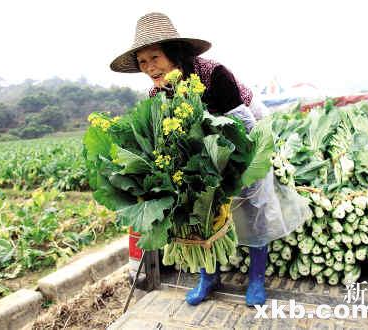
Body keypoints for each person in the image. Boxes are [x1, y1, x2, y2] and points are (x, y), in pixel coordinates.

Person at [109, 12, 305, 307]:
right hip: (206, 155)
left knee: (254, 208)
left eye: (155, 57)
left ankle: (255, 280)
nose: (150, 68)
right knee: (199, 212)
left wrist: (233, 171)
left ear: (173, 53)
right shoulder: (158, 93)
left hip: (249, 142)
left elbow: (246, 128)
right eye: (143, 62)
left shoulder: (213, 74)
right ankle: (209, 277)